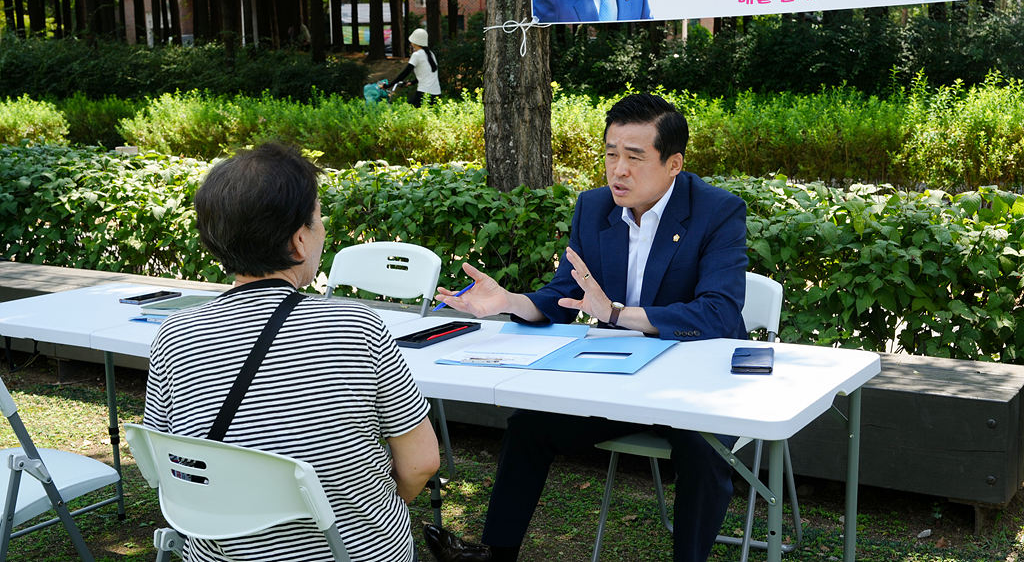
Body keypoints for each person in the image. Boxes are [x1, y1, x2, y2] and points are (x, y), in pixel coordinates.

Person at [424, 94, 748, 562]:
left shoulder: (717, 211)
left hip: (692, 385)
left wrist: (616, 313)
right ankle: (496, 555)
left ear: (674, 163)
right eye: (611, 154)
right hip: (615, 379)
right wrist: (509, 302)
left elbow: (718, 313)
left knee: (703, 450)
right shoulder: (594, 208)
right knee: (529, 425)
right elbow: (564, 296)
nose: (618, 170)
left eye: (634, 157)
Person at [144, 142, 439, 562]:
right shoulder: (358, 326)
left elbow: (163, 465)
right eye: (319, 221)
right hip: (350, 553)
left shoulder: (174, 334)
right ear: (299, 241)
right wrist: (376, 511)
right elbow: (421, 463)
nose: (322, 231)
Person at [394, 28, 442, 107]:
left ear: (414, 42)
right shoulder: (431, 54)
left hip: (423, 93)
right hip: (437, 94)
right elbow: (428, 74)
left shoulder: (417, 55)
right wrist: (412, 82)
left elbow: (405, 73)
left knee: (406, 111)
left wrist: (388, 85)